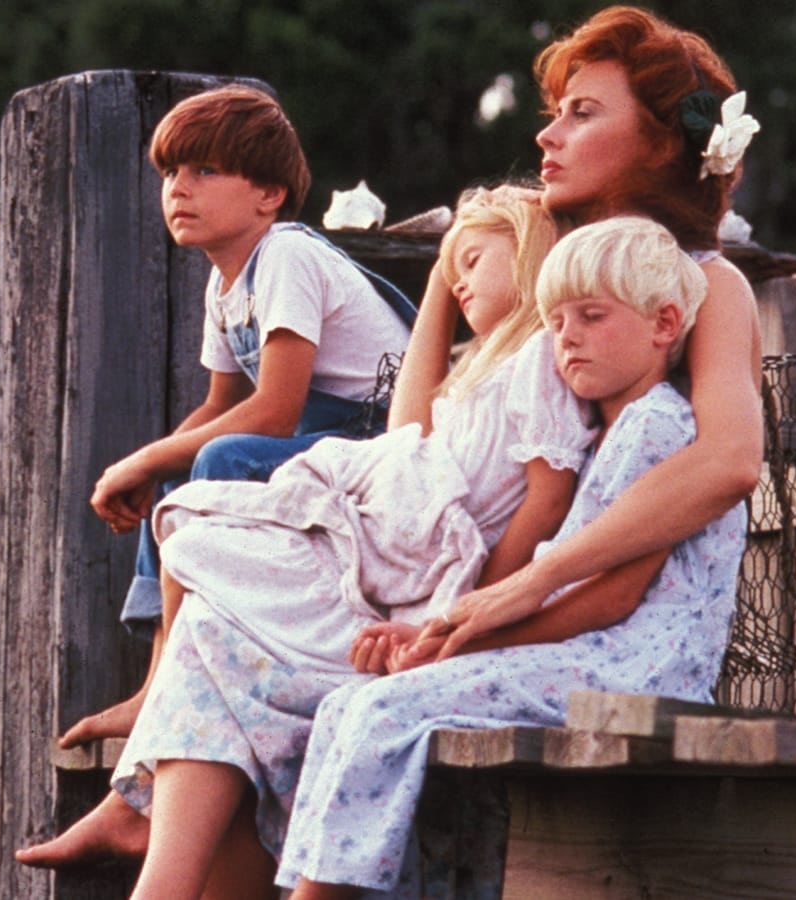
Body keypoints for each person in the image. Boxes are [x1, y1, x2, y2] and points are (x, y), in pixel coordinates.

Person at [17, 185, 584, 880]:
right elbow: (407, 433)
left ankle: (142, 824)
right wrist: (439, 281)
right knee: (205, 598)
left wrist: (463, 619)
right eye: (452, 267)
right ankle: (143, 834)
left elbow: (545, 505)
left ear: (529, 259)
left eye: (471, 261)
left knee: (206, 566)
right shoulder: (485, 370)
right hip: (394, 569)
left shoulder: (540, 359)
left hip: (421, 589)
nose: (458, 279)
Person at [279, 215, 747, 899]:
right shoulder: (606, 434)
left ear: (665, 324)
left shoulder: (657, 425)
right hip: (591, 657)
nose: (568, 338)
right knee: (347, 704)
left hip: (638, 667)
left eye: (591, 316)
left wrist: (459, 646)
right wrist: (434, 637)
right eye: (555, 322)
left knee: (381, 712)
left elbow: (612, 598)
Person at [65, 83, 415, 748]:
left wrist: (144, 458)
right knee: (185, 470)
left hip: (380, 435)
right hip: (324, 437)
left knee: (220, 459)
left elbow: (274, 413)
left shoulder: (286, 254)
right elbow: (218, 405)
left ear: (269, 194)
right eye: (170, 172)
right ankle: (156, 683)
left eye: (205, 170)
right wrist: (154, 470)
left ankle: (175, 683)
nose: (178, 189)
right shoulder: (226, 282)